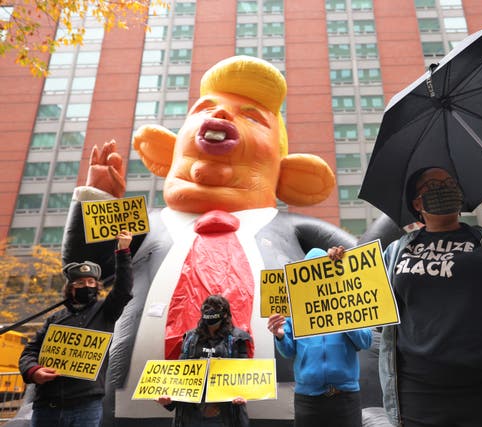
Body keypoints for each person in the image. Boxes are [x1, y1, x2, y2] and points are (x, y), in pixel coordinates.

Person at [58, 55, 356, 426]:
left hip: (278, 402)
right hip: (136, 402)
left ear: (292, 173)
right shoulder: (146, 224)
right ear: (167, 149)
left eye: (252, 116)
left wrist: (343, 259)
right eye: (206, 108)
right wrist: (96, 203)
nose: (223, 116)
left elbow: (365, 285)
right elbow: (85, 270)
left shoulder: (294, 229)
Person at [330, 167, 482, 427]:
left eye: (449, 182)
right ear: (417, 203)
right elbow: (371, 307)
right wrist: (341, 267)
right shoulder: (396, 251)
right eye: (433, 185)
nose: (444, 187)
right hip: (420, 394)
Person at [19, 231, 134, 427]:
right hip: (47, 405)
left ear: (97, 287)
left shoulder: (105, 312)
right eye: (80, 283)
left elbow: (123, 289)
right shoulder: (54, 320)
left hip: (86, 405)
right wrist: (33, 371)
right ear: (70, 289)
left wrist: (123, 252)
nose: (86, 286)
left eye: (90, 282)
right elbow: (29, 352)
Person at [267, 248, 373, 427]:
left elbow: (366, 340)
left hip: (345, 396)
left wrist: (344, 315)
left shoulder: (349, 301)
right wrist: (279, 336)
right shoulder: (296, 308)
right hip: (308, 399)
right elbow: (288, 351)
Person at [157, 294, 251, 427]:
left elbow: (243, 374)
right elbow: (179, 376)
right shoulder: (190, 338)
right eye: (207, 306)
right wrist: (169, 402)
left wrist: (243, 393)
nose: (210, 310)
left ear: (225, 313)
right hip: (191, 414)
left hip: (225, 415)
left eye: (216, 307)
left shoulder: (237, 339)